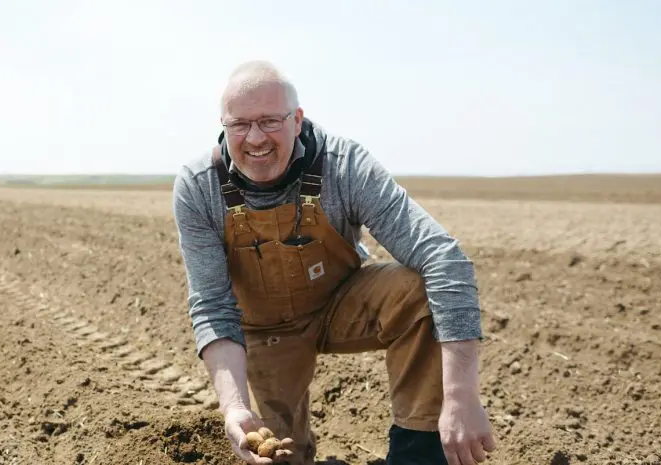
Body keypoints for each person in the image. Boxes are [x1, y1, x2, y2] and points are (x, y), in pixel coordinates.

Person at [171, 61, 496, 465]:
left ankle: (418, 454)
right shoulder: (199, 186)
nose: (255, 138)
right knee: (274, 454)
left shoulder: (343, 166)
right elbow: (213, 306)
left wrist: (460, 396)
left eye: (270, 121)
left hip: (340, 304)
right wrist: (234, 407)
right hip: (264, 331)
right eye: (239, 124)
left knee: (419, 288)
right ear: (223, 123)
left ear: (297, 120)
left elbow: (443, 257)